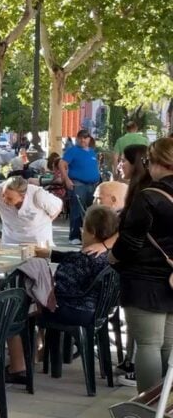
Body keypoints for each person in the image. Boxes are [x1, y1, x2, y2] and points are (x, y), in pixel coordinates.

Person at [110, 138, 173, 393]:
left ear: (157, 162)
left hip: (144, 279)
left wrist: (113, 257)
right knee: (169, 345)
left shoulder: (149, 196)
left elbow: (131, 241)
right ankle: (166, 405)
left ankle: (149, 404)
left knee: (148, 344)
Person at [34, 205, 118, 323]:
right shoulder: (109, 255)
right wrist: (50, 254)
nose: (81, 231)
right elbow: (73, 257)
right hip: (98, 310)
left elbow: (61, 285)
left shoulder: (82, 259)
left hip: (75, 310)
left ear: (92, 232)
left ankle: (38, 341)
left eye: (83, 227)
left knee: (30, 308)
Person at [0, 176, 63, 246]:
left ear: (22, 197)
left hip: (38, 242)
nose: (4, 200)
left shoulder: (38, 195)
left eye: (10, 199)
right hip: (10, 242)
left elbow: (59, 206)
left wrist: (48, 221)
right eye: (3, 195)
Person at [60, 129, 100, 245]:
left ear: (89, 139)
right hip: (78, 184)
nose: (83, 140)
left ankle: (87, 235)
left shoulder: (92, 152)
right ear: (77, 139)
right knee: (77, 210)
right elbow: (62, 164)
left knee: (90, 212)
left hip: (92, 185)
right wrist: (66, 179)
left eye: (85, 137)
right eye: (81, 137)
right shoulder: (73, 151)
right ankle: (74, 236)